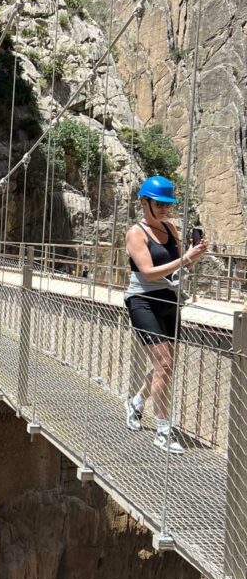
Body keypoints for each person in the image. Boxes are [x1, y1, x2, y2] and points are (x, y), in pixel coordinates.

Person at [124, 175, 208, 453]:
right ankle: (162, 430)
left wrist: (196, 254)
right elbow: (148, 272)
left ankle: (136, 403)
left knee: (166, 366)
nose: (164, 209)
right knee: (165, 364)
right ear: (145, 202)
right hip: (142, 300)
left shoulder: (171, 229)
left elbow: (178, 270)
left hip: (168, 300)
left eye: (167, 204)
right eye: (158, 203)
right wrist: (185, 259)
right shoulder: (135, 233)